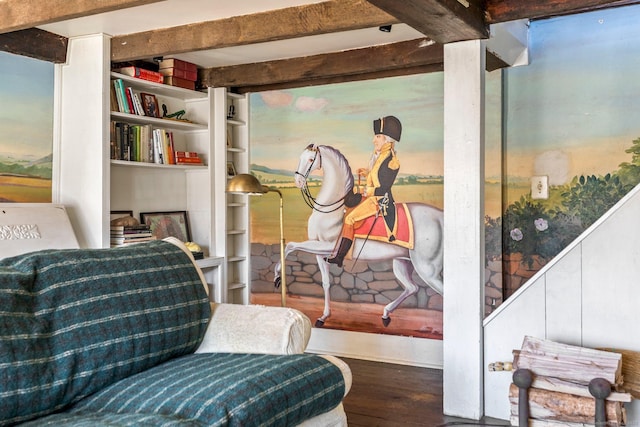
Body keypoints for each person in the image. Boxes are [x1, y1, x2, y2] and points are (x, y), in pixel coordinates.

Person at [326, 115, 402, 267]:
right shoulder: (380, 156)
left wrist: (367, 191)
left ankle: (339, 258)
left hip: (379, 200)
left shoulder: (391, 160)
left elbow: (384, 186)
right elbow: (376, 175)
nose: (374, 140)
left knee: (349, 219)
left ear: (387, 139)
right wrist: (366, 172)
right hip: (371, 196)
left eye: (378, 136)